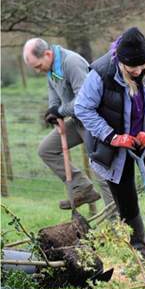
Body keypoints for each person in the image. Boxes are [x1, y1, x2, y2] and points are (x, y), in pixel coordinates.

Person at [74, 27, 145, 271]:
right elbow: (83, 108)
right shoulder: (101, 72)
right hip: (115, 144)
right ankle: (141, 259)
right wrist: (112, 136)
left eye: (141, 66)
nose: (136, 71)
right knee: (126, 202)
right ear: (120, 61)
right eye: (130, 67)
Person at [23, 38, 115, 212]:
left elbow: (85, 99)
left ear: (48, 54)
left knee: (101, 174)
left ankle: (118, 226)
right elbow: (54, 94)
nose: (37, 70)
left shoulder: (71, 63)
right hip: (77, 120)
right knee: (46, 149)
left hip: (94, 121)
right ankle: (82, 187)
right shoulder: (50, 69)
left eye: (37, 65)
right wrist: (52, 110)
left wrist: (61, 110)